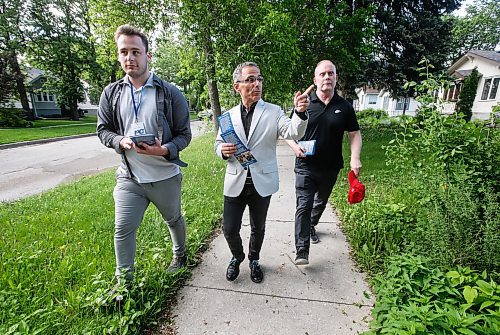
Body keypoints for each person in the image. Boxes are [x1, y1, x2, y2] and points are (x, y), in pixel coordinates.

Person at [96, 24, 192, 289]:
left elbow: (185, 134)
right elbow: (104, 130)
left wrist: (164, 150)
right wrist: (120, 140)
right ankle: (124, 283)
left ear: (148, 56)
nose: (130, 58)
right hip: (130, 177)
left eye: (136, 51)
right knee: (122, 229)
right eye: (124, 52)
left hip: (164, 175)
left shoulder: (169, 92)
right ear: (118, 56)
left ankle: (180, 255)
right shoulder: (111, 94)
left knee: (173, 219)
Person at [215, 61, 312, 283]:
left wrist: (299, 112)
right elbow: (218, 143)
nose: (257, 84)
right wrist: (222, 150)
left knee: (258, 227)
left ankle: (254, 259)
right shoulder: (227, 117)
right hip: (235, 180)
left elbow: (292, 131)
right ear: (237, 86)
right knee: (229, 228)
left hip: (262, 181)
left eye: (259, 79)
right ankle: (237, 256)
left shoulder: (274, 111)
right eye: (250, 79)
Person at [286, 60, 362, 265]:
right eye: (322, 74)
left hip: (331, 166)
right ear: (315, 79)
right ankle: (302, 250)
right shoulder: (304, 103)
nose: (327, 77)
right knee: (304, 204)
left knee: (320, 201)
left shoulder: (344, 106)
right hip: (305, 166)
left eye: (331, 73)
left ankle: (311, 224)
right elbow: (287, 132)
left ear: (336, 78)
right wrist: (294, 147)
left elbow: (354, 134)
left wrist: (355, 157)